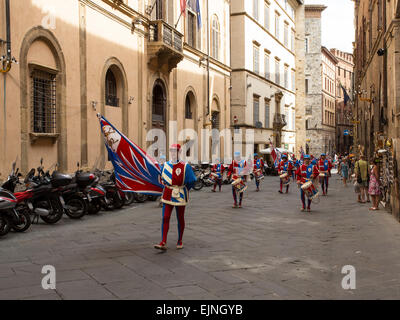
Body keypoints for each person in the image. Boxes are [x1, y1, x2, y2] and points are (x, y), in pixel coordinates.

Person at [154, 144, 197, 251]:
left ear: (179, 152)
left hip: (180, 193)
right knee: (165, 217)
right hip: (168, 193)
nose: (173, 153)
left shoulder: (185, 166)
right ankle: (163, 241)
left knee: (180, 218)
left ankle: (180, 240)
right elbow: (160, 177)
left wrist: (184, 189)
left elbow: (192, 180)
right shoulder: (165, 165)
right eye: (172, 151)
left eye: (175, 151)